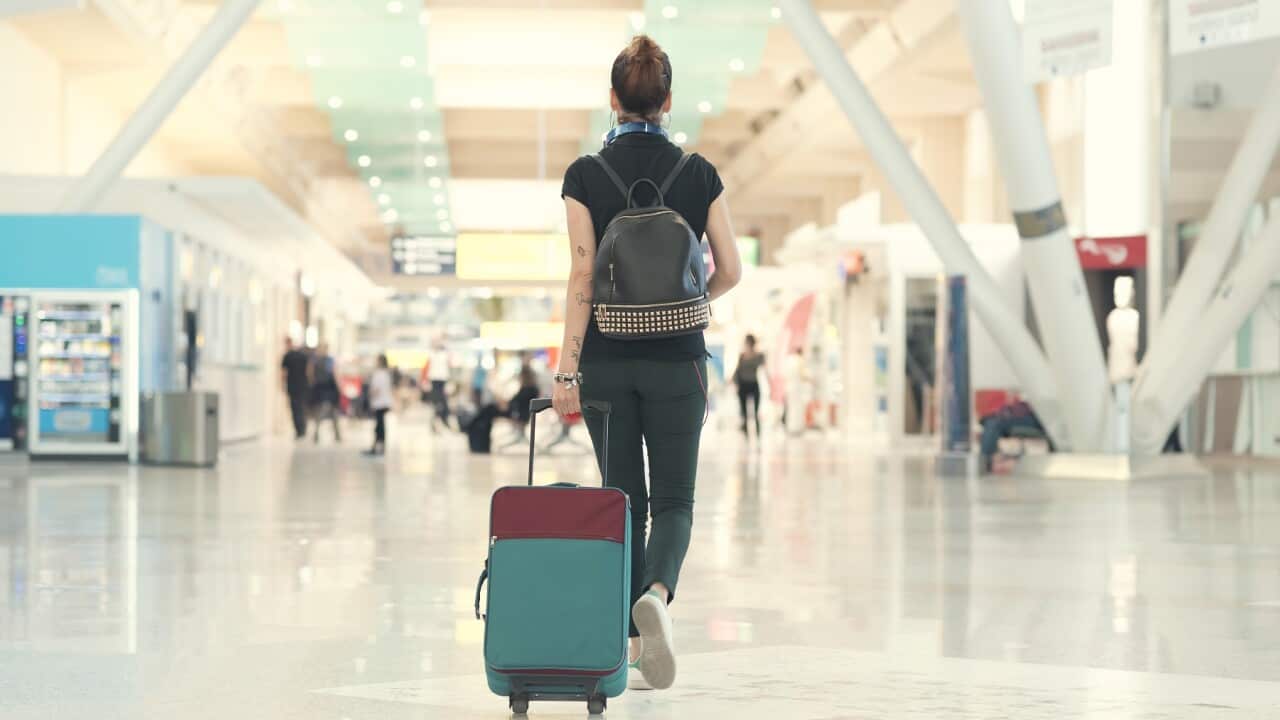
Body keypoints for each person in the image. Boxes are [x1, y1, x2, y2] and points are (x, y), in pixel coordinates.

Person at [553, 34, 742, 692]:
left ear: (612, 100)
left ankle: (632, 645)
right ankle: (658, 593)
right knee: (676, 501)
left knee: (624, 501)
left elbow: (582, 273)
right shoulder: (698, 173)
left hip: (605, 361)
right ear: (667, 101)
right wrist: (692, 304)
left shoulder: (583, 176)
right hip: (678, 364)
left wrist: (566, 369)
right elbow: (732, 268)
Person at [732, 335, 765, 437]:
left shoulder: (759, 355)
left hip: (753, 384)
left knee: (755, 412)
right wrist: (735, 382)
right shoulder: (742, 355)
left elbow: (764, 367)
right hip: (743, 385)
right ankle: (746, 434)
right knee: (744, 412)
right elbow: (738, 371)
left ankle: (758, 433)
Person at [310, 343, 342, 444]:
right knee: (329, 411)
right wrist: (339, 388)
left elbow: (310, 374)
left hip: (320, 388)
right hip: (328, 388)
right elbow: (335, 373)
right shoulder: (328, 360)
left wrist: (313, 384)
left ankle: (335, 434)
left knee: (326, 411)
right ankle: (335, 434)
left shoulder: (315, 360)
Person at [281, 337, 310, 440]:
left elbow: (284, 373)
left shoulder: (287, 356)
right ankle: (303, 429)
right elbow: (308, 371)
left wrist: (282, 386)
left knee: (295, 408)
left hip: (292, 386)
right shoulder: (303, 356)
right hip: (302, 385)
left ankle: (299, 430)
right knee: (302, 407)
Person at [364, 355, 393, 456]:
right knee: (380, 426)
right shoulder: (386, 374)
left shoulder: (379, 374)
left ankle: (377, 447)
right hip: (384, 402)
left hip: (379, 403)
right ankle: (379, 446)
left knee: (379, 426)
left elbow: (376, 389)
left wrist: (370, 396)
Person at [427, 342, 452, 431]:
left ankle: (442, 421)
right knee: (437, 405)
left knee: (442, 404)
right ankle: (437, 423)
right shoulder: (432, 355)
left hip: (441, 381)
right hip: (435, 381)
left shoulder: (444, 355)